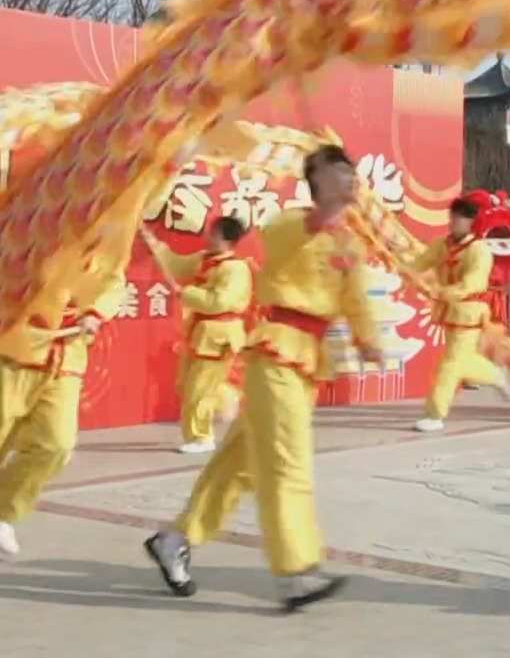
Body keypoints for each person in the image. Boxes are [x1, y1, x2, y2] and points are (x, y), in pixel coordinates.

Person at [142, 145, 384, 609]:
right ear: (316, 177)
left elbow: (355, 299)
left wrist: (366, 337)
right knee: (287, 464)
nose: (350, 178)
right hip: (276, 352)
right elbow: (283, 242)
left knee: (238, 465)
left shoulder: (350, 243)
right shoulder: (289, 224)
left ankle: (174, 538)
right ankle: (295, 571)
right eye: (339, 170)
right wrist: (323, 217)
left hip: (305, 360)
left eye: (352, 171)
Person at [0, 256, 127, 561]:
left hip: (66, 357)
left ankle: (4, 513)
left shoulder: (104, 241)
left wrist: (96, 311)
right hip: (16, 350)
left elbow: (113, 281)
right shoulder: (27, 223)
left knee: (57, 444)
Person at [143, 216, 254, 454]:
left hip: (219, 335)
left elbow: (220, 301)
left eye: (212, 232)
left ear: (224, 238)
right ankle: (226, 399)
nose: (207, 234)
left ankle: (202, 437)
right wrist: (155, 245)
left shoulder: (236, 269)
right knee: (186, 385)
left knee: (199, 389)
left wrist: (186, 293)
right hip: (200, 334)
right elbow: (175, 264)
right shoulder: (204, 259)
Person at [411, 195, 510, 433]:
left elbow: (473, 283)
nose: (454, 222)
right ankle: (495, 375)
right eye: (453, 217)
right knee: (460, 361)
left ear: (470, 222)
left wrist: (442, 292)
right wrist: (402, 268)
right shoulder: (441, 244)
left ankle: (435, 414)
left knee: (450, 364)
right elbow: (421, 262)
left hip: (469, 312)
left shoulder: (479, 250)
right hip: (449, 312)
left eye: (460, 218)